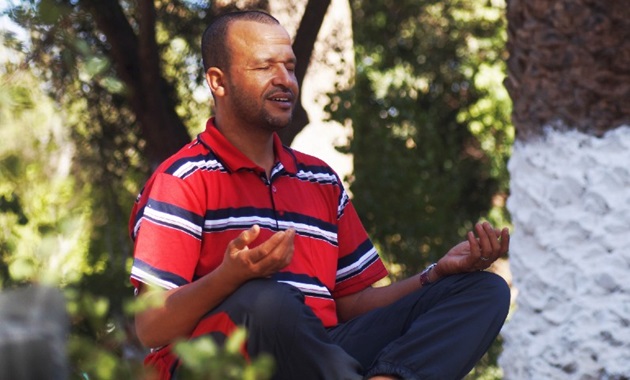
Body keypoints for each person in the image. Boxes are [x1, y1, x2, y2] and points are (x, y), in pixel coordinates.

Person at [129, 9, 511, 380]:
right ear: (218, 81)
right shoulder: (182, 179)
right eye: (265, 67)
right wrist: (230, 277)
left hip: (321, 357)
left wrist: (435, 274)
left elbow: (353, 305)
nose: (285, 80)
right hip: (220, 364)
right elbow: (151, 326)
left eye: (290, 67)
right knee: (266, 301)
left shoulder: (320, 180)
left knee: (483, 289)